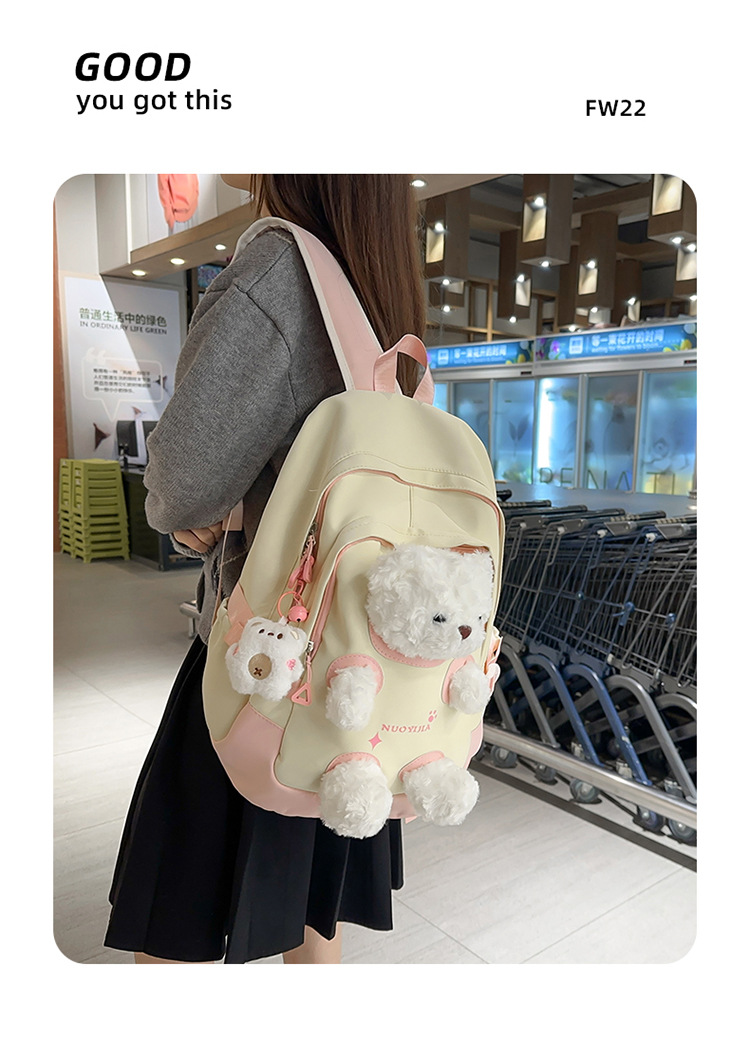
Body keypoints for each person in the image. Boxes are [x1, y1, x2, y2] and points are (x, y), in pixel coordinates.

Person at [104, 174, 426, 964]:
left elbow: (180, 483)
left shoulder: (278, 271)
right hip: (357, 676)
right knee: (315, 912)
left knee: (174, 911)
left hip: (261, 663)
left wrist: (207, 509)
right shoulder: (379, 285)